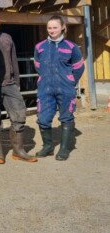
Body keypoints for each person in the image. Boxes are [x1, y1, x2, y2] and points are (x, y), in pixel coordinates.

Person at [0, 9, 37, 164]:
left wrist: (17, 82)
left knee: (20, 114)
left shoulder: (6, 38)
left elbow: (13, 61)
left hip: (9, 83)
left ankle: (18, 151)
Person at [34, 15, 84, 161]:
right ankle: (48, 147)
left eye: (55, 27)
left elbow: (79, 67)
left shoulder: (71, 47)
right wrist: (45, 79)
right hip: (45, 89)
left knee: (66, 117)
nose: (51, 30)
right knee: (42, 118)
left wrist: (69, 82)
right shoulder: (40, 47)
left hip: (65, 89)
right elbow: (38, 66)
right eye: (49, 28)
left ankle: (64, 148)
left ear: (63, 27)